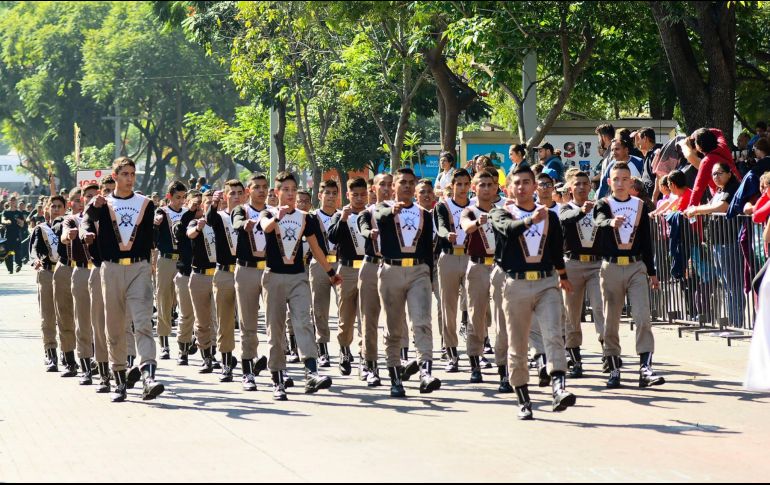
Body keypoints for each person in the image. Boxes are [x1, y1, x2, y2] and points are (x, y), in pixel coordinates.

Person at [490, 165, 575, 420]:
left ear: (534, 186)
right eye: (517, 183)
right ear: (509, 188)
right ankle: (523, 399)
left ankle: (559, 388)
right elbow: (508, 230)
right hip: (515, 284)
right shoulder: (500, 212)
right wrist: (530, 220)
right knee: (517, 343)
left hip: (546, 282)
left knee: (553, 334)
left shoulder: (550, 216)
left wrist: (563, 276)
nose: (522, 187)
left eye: (527, 182)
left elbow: (555, 250)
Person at [81, 157, 164, 402]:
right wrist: (87, 230)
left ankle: (149, 375)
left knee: (143, 322)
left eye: (132, 173)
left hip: (139, 267)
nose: (130, 178)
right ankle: (119, 379)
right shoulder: (102, 203)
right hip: (111, 269)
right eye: (125, 174)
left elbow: (154, 235)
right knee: (115, 327)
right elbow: (87, 220)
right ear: (115, 176)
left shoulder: (145, 203)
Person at [260, 171, 341, 400]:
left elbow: (316, 248)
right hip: (274, 277)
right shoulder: (268, 213)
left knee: (304, 322)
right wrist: (279, 217)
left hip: (298, 277)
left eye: (293, 190)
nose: (289, 194)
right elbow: (266, 226)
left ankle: (311, 372)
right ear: (277, 193)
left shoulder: (306, 218)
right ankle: (277, 378)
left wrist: (330, 272)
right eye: (285, 190)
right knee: (275, 330)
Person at [369, 168, 441, 398]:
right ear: (393, 187)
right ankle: (395, 376)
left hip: (418, 270)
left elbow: (429, 251)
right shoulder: (382, 208)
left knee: (421, 321)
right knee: (393, 328)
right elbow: (378, 219)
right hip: (391, 270)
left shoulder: (425, 214)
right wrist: (392, 211)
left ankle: (425, 372)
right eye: (403, 183)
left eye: (411, 183)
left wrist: (429, 276)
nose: (408, 187)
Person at [594, 162, 663, 389]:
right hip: (611, 268)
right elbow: (599, 220)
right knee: (611, 320)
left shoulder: (639, 205)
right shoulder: (603, 204)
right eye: (616, 179)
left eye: (625, 179)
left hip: (635, 267)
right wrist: (610, 222)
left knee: (643, 316)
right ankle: (613, 367)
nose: (620, 183)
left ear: (631, 182)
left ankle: (646, 368)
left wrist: (652, 272)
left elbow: (646, 241)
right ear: (609, 182)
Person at [684, 162, 744, 327]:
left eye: (719, 173)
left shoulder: (732, 188)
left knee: (732, 284)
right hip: (717, 242)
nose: (716, 177)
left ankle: (737, 323)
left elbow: (722, 207)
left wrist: (696, 210)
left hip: (728, 241)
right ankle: (733, 322)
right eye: (713, 174)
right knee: (725, 284)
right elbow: (712, 206)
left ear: (729, 173)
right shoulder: (719, 190)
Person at [559, 172, 605, 378]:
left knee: (600, 307)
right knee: (572, 314)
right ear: (570, 188)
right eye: (577, 184)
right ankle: (574, 358)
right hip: (573, 264)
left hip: (596, 264)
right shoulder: (566, 208)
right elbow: (565, 219)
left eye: (585, 184)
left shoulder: (598, 208)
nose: (581, 187)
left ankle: (609, 353)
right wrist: (581, 212)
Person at [230, 175, 271, 390]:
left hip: (270, 271)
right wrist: (245, 224)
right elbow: (236, 223)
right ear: (248, 190)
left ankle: (277, 371)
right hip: (246, 270)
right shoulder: (241, 210)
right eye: (257, 187)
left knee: (275, 322)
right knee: (248, 323)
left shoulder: (273, 212)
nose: (261, 191)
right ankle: (247, 371)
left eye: (265, 187)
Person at [460, 170, 500, 384]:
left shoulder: (503, 211)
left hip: (500, 267)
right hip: (477, 267)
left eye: (489, 185)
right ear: (474, 188)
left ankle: (504, 364)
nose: (485, 188)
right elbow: (466, 227)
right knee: (476, 316)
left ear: (496, 188)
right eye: (481, 185)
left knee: (504, 317)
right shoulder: (469, 211)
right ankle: (475, 362)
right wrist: (478, 223)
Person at [327, 178, 369, 377]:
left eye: (363, 194)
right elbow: (332, 238)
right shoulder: (339, 215)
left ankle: (365, 358)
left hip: (368, 268)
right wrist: (343, 219)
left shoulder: (371, 214)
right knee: (346, 317)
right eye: (355, 195)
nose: (359, 198)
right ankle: (344, 351)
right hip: (347, 270)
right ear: (348, 195)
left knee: (366, 317)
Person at [61, 184, 100, 386]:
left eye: (96, 195)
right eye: (88, 196)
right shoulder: (72, 220)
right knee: (83, 321)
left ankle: (104, 366)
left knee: (101, 322)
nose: (92, 199)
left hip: (102, 271)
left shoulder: (105, 219)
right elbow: (64, 234)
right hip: (82, 271)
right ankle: (85, 367)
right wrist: (69, 235)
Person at [206, 180, 245, 383]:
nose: (236, 196)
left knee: (248, 322)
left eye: (240, 192)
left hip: (245, 271)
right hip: (223, 273)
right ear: (225, 196)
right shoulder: (220, 217)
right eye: (232, 193)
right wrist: (213, 203)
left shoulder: (248, 216)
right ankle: (226, 363)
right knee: (225, 321)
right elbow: (209, 218)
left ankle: (249, 362)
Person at [435, 168, 473, 372]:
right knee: (448, 306)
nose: (463, 188)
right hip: (449, 257)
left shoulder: (475, 206)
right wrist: (445, 234)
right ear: (452, 186)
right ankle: (450, 351)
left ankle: (476, 351)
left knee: (476, 305)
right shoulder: (443, 206)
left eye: (466, 184)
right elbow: (440, 226)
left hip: (471, 257)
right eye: (459, 184)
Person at [357, 173, 393, 386]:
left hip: (393, 267)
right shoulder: (366, 212)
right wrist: (369, 232)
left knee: (394, 319)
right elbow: (363, 228)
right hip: (371, 266)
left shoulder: (403, 211)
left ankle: (396, 363)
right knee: (369, 320)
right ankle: (370, 364)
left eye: (390, 185)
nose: (387, 188)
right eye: (382, 185)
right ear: (373, 188)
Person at [29, 196, 66, 373]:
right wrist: (35, 260)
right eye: (53, 206)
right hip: (46, 272)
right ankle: (50, 352)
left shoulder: (68, 225)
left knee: (66, 315)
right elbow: (34, 248)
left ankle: (68, 354)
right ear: (45, 210)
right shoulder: (40, 229)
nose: (56, 209)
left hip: (65, 272)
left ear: (65, 209)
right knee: (48, 315)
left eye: (60, 206)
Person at [153, 181, 188, 361]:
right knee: (164, 301)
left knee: (185, 302)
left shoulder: (187, 214)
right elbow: (153, 236)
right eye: (177, 198)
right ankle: (164, 344)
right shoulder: (162, 212)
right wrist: (156, 225)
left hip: (183, 260)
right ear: (169, 197)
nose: (181, 201)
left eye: (183, 198)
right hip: (166, 260)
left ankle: (184, 344)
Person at [307, 180, 340, 368]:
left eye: (334, 193)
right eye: (327, 193)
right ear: (319, 196)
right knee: (320, 309)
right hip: (318, 264)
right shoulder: (311, 217)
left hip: (340, 263)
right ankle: (323, 349)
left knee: (345, 308)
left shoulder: (343, 215)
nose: (330, 196)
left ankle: (345, 348)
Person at [51, 190, 79, 378]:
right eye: (77, 201)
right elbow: (58, 228)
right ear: (71, 204)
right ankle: (69, 359)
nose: (81, 204)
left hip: (89, 269)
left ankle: (92, 358)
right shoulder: (64, 221)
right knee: (65, 316)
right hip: (65, 269)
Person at [679, 128, 741, 211]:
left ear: (699, 146)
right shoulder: (723, 146)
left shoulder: (706, 161)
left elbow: (698, 188)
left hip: (724, 202)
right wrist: (699, 133)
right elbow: (718, 132)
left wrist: (691, 208)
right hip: (739, 191)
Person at [172, 190, 201, 367]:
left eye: (200, 204)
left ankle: (209, 351)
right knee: (186, 315)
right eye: (193, 204)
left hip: (205, 275)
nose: (197, 207)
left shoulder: (208, 223)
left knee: (208, 317)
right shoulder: (180, 222)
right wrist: (190, 212)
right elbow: (180, 231)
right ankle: (182, 351)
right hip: (185, 274)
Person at [2, 195, 24, 273]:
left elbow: (22, 224)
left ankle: (18, 265)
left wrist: (18, 220)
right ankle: (10, 269)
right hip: (7, 235)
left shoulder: (19, 213)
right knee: (8, 252)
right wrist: (6, 222)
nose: (13, 201)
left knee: (17, 251)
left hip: (17, 235)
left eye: (14, 200)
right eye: (11, 200)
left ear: (16, 202)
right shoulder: (6, 212)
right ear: (9, 201)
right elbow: (3, 220)